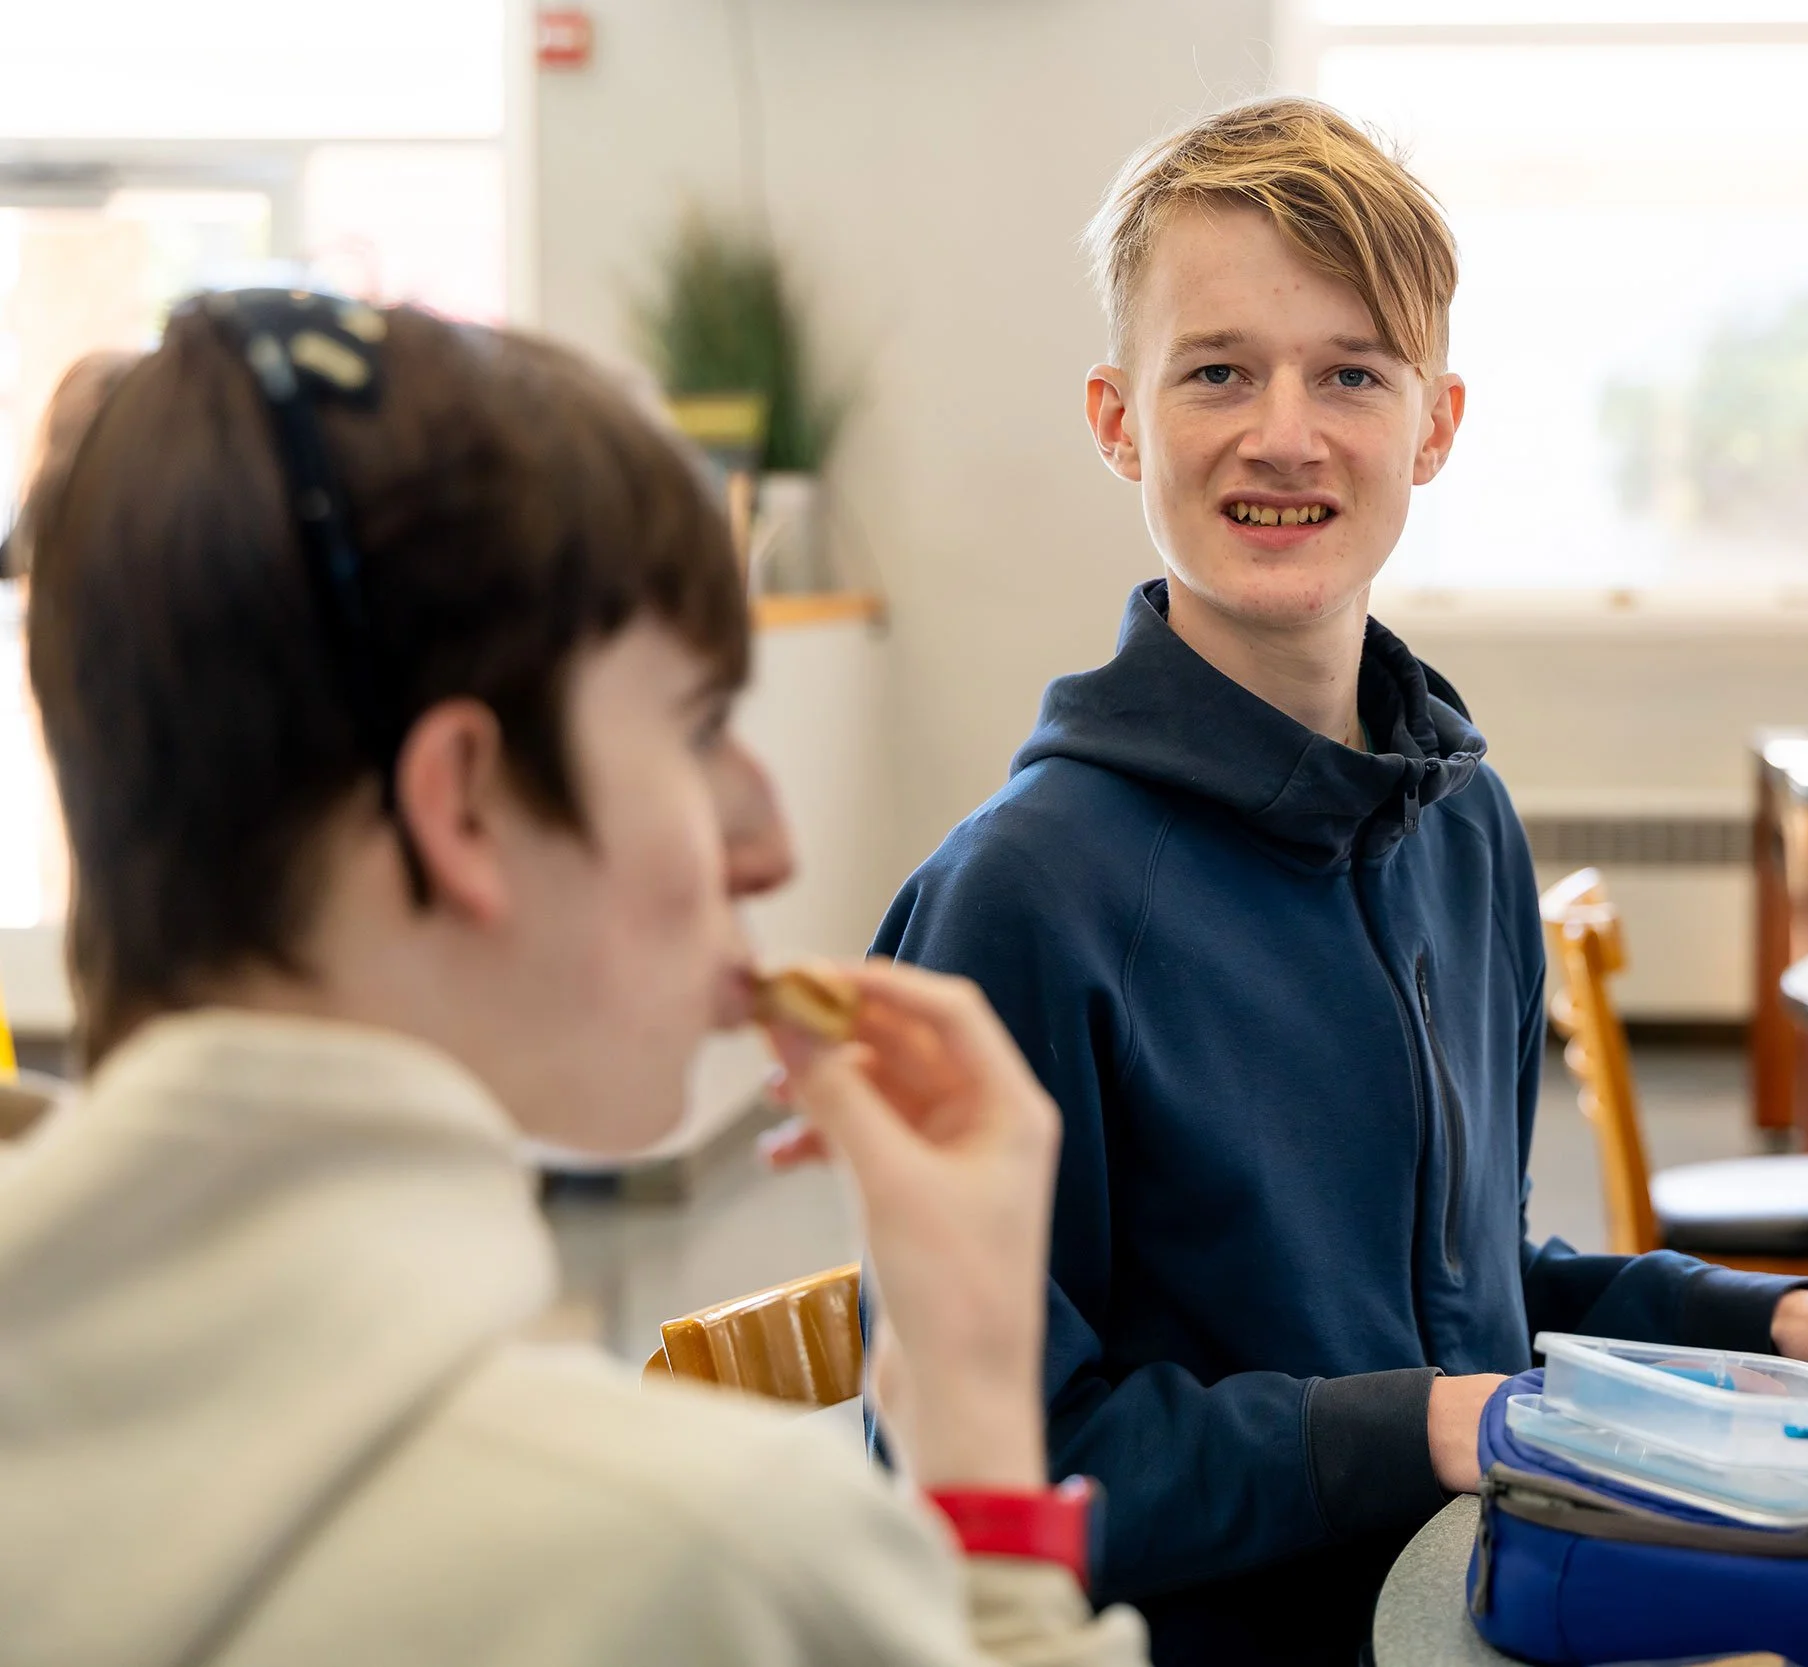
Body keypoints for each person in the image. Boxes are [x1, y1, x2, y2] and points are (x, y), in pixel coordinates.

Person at [866, 98, 1808, 1665]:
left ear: (1435, 424)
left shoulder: (1462, 822)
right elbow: (981, 1471)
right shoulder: (1018, 895)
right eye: (1217, 368)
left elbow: (1465, 1302)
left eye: (1350, 372)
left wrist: (1763, 1320)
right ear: (1116, 418)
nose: (1283, 431)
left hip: (1491, 1598)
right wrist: (1424, 1426)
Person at [0, 296, 1145, 1666]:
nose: (767, 840)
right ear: (463, 805)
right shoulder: (703, 1555)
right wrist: (981, 1461)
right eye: (702, 725)